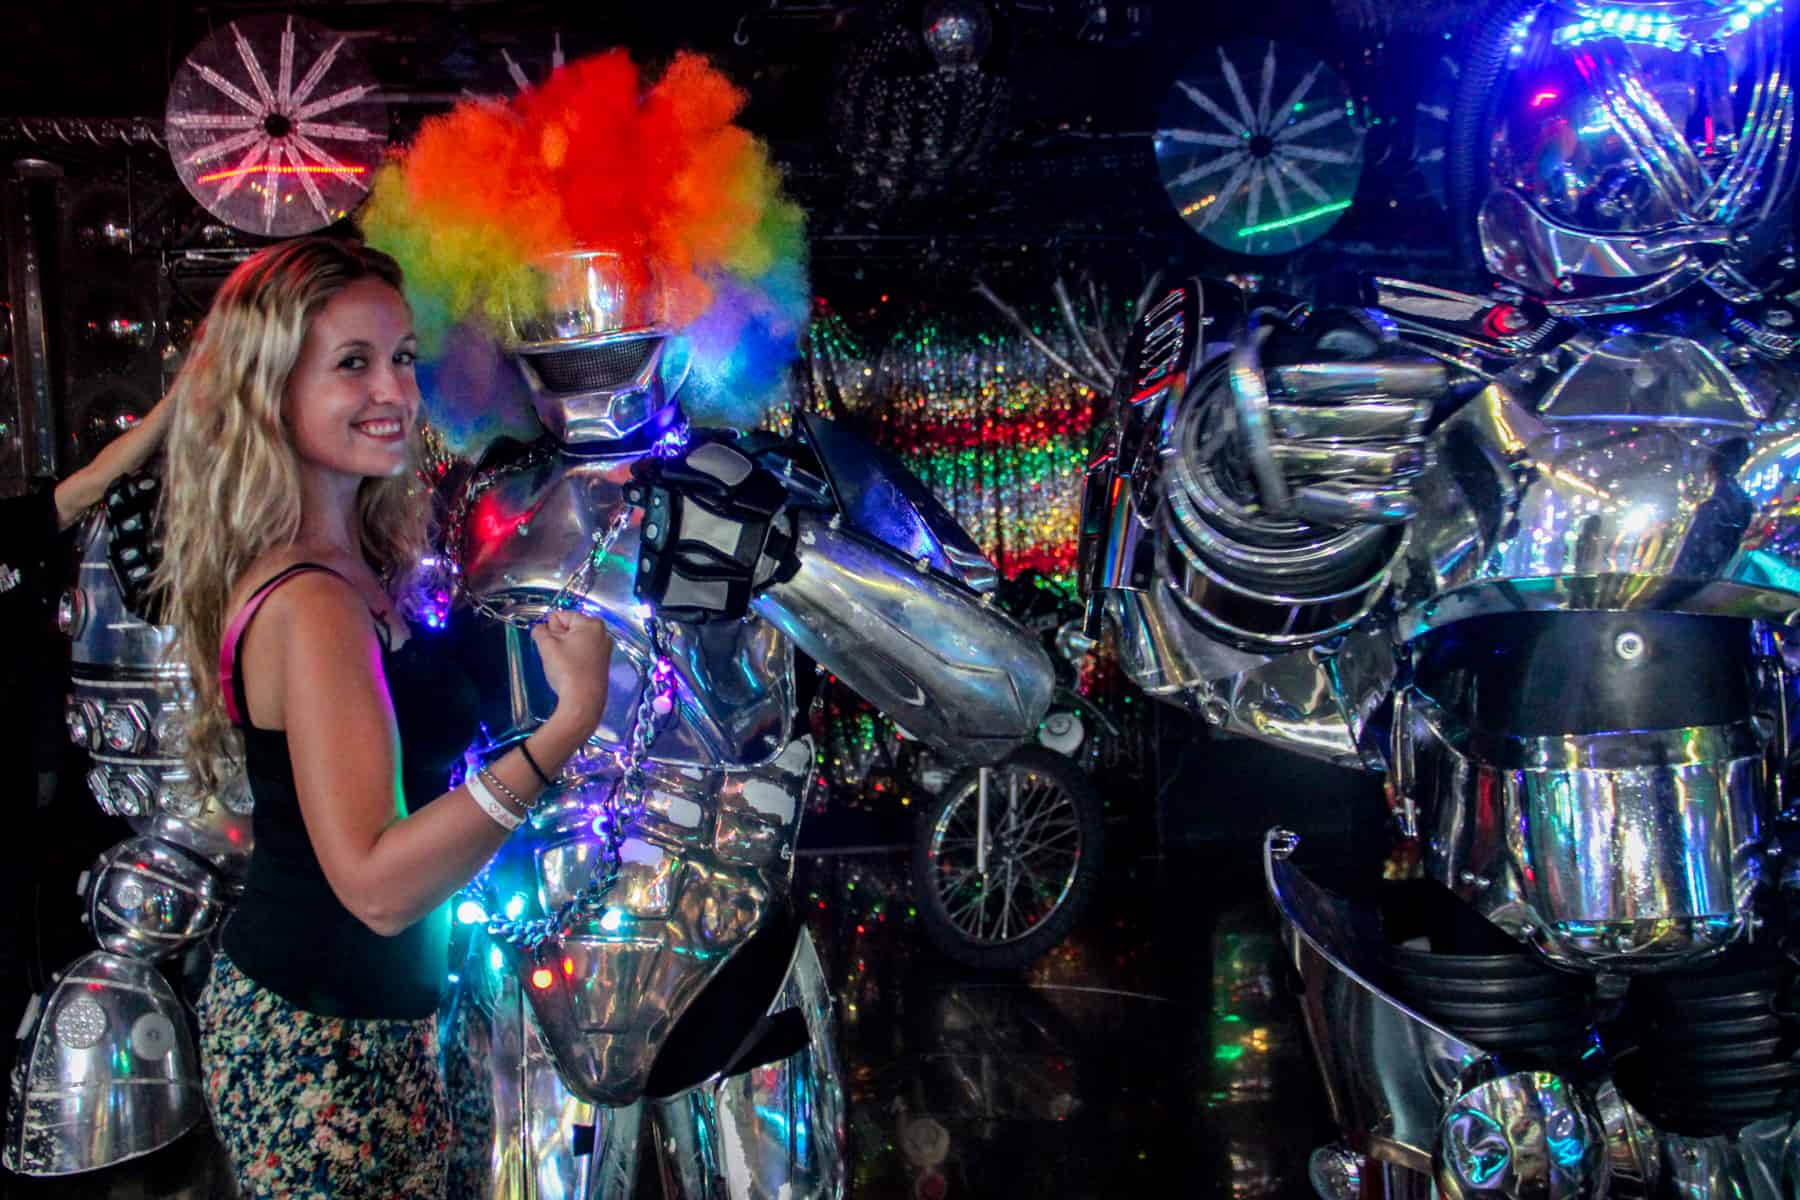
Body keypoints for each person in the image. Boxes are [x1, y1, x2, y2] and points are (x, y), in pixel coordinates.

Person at [156, 236, 612, 1199]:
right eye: (352, 364)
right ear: (270, 390)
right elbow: (376, 887)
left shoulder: (362, 557)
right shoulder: (312, 602)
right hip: (320, 1046)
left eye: (402, 358)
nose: (394, 392)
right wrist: (563, 732)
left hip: (398, 1024)